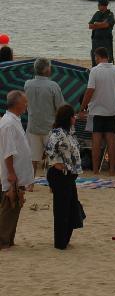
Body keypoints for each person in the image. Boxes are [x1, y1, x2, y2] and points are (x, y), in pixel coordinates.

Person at [45, 104, 83, 249]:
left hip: (69, 175)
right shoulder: (58, 133)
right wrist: (55, 163)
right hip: (60, 175)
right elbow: (49, 149)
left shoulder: (69, 132)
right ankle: (60, 243)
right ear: (68, 118)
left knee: (71, 206)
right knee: (62, 209)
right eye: (73, 116)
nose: (75, 118)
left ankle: (64, 240)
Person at [0, 91, 33, 249]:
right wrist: (11, 174)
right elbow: (8, 151)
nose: (26, 105)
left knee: (15, 206)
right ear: (17, 104)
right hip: (12, 173)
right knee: (9, 206)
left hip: (17, 172)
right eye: (24, 102)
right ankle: (3, 240)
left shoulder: (14, 120)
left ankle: (9, 239)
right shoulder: (8, 123)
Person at [80, 47, 115, 176]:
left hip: (97, 109)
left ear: (97, 56)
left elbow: (90, 90)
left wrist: (82, 107)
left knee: (96, 141)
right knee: (111, 140)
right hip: (111, 109)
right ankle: (112, 170)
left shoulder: (95, 71)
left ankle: (96, 170)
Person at [24, 58, 65, 173]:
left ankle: (31, 183)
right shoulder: (53, 86)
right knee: (53, 158)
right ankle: (52, 184)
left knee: (33, 158)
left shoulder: (27, 84)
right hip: (49, 127)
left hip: (33, 126)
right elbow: (60, 108)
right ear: (46, 69)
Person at [88, 0, 115, 65]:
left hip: (106, 41)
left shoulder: (110, 15)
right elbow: (90, 26)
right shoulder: (97, 14)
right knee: (95, 60)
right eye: (98, 4)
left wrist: (96, 24)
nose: (98, 6)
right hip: (96, 41)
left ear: (104, 6)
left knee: (107, 59)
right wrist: (101, 23)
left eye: (100, 5)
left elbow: (106, 25)